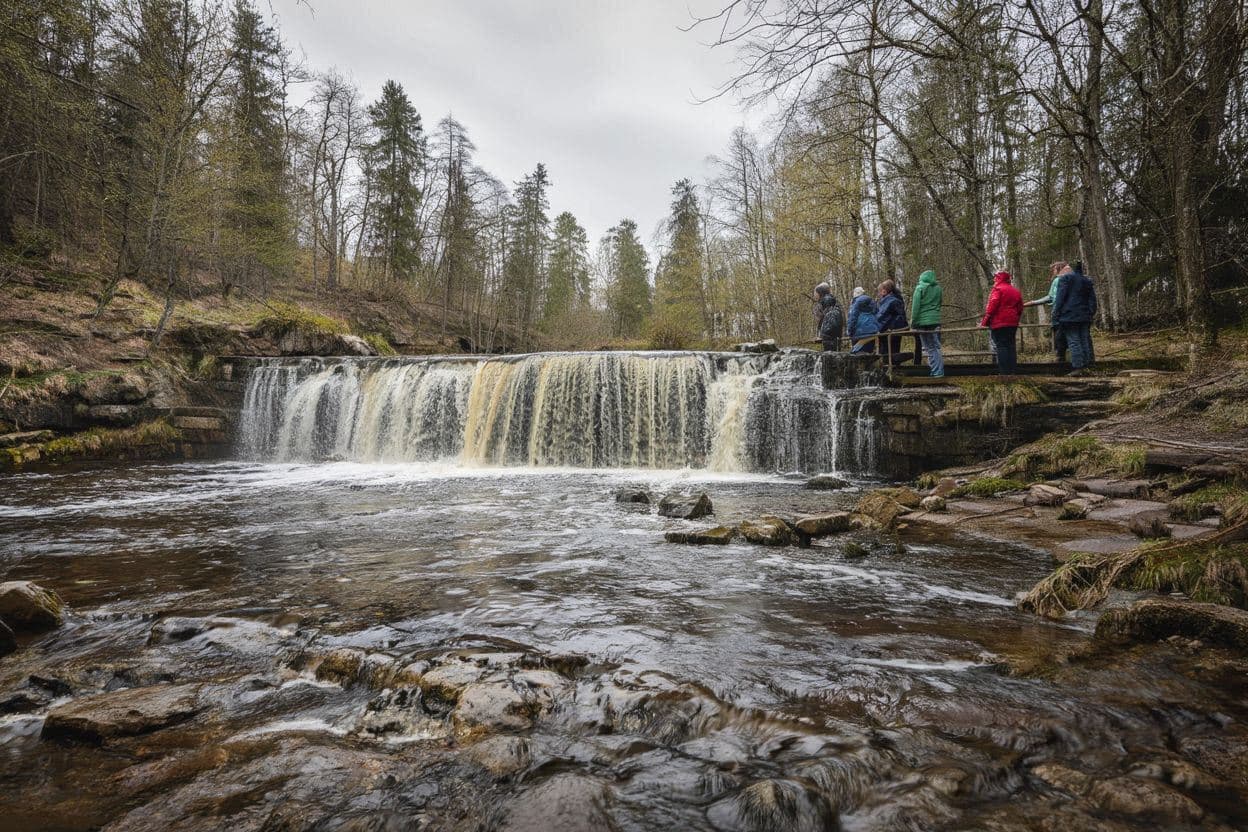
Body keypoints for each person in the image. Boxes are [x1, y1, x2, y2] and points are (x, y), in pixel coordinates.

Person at [1053, 260, 1098, 373]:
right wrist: (1090, 312)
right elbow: (1092, 300)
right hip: (1084, 316)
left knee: (1074, 341)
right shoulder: (1087, 281)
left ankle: (1078, 367)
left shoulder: (1065, 280)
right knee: (1084, 340)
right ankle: (1087, 365)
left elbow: (1060, 298)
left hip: (1069, 316)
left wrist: (1056, 313)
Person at [1023, 261, 1071, 362]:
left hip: (1061, 314)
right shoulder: (1072, 279)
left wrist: (1032, 303)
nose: (1053, 272)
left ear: (1059, 269)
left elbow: (1051, 297)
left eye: (1054, 269)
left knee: (1060, 338)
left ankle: (1062, 361)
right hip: (1070, 314)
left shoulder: (1058, 280)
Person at [979, 270, 1024, 375]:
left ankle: (1004, 372)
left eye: (996, 277)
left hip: (999, 322)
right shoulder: (1015, 291)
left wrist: (984, 322)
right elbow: (1020, 308)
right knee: (1011, 346)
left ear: (999, 278)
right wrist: (1016, 319)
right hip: (1012, 323)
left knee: (1001, 346)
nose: (994, 279)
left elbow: (991, 308)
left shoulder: (997, 289)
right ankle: (1012, 371)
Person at [910, 268, 944, 378]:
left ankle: (937, 372)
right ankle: (937, 370)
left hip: (923, 322)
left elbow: (915, 307)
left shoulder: (920, 288)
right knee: (936, 346)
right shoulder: (938, 288)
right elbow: (939, 303)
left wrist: (913, 322)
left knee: (929, 347)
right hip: (935, 320)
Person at [875, 280, 909, 365]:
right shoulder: (892, 300)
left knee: (888, 353)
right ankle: (892, 369)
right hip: (892, 330)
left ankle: (890, 371)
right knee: (892, 351)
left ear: (884, 291)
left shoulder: (891, 301)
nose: (879, 293)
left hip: (890, 330)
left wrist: (878, 328)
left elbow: (883, 317)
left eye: (880, 291)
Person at [847, 286, 880, 354]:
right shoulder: (872, 302)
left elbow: (852, 318)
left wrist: (850, 332)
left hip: (860, 333)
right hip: (873, 332)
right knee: (869, 354)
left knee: (857, 355)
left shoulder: (856, 304)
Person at [813, 282, 843, 351]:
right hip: (832, 340)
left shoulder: (829, 304)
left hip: (831, 341)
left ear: (820, 293)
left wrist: (822, 337)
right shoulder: (828, 303)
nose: (814, 295)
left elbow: (830, 326)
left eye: (815, 293)